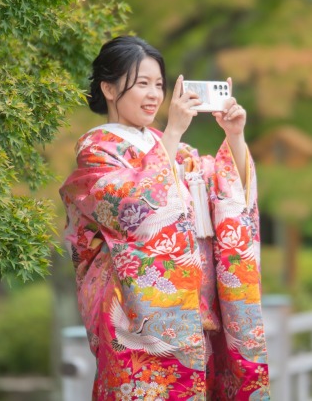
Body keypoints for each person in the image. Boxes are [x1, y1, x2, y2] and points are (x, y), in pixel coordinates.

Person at [59, 35, 270, 400]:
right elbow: (130, 210)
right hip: (138, 324)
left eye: (159, 84)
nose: (154, 94)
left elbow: (227, 194)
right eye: (142, 84)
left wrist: (234, 136)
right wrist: (171, 133)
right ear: (109, 88)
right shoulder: (98, 150)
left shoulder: (177, 150)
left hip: (193, 319)